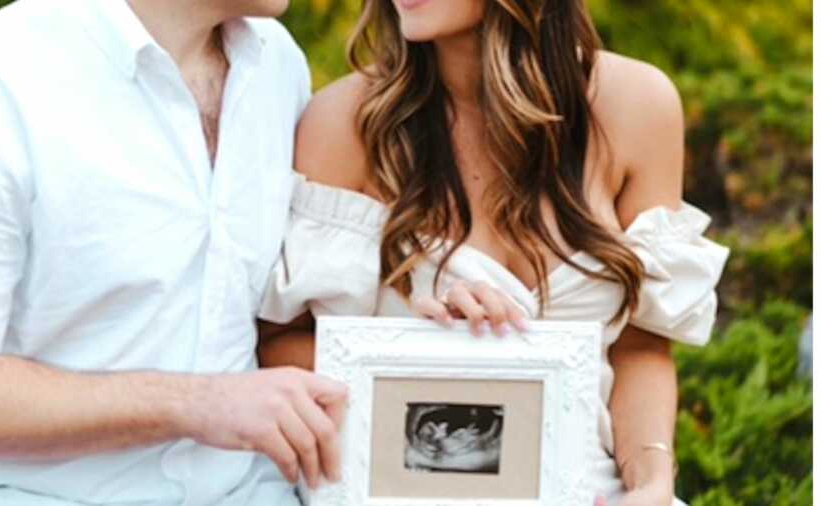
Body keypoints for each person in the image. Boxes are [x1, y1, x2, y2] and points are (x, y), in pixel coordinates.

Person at [257, 0, 729, 504]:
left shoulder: (639, 106)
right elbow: (277, 345)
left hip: (584, 487)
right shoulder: (345, 122)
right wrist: (426, 350)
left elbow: (642, 346)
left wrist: (652, 480)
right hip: (400, 487)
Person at [0, 0, 346, 504]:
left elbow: (283, 312)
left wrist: (438, 316)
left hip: (251, 490)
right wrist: (193, 404)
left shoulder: (278, 65)